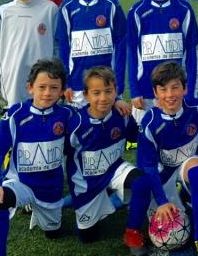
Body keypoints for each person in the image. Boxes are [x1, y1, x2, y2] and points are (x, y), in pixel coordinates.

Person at [0, 59, 74, 256]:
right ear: (30, 88)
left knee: (53, 233)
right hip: (21, 183)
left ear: (62, 91)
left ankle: (47, 210)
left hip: (50, 189)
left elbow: (93, 117)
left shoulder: (67, 115)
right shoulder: (15, 115)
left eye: (54, 88)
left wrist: (118, 103)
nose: (47, 93)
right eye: (41, 87)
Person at [66, 66, 152, 254]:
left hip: (114, 169)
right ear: (86, 95)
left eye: (108, 91)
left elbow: (135, 138)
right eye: (96, 93)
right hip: (86, 181)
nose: (103, 98)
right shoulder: (76, 123)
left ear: (115, 92)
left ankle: (132, 232)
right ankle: (79, 200)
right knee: (87, 237)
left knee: (143, 183)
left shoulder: (122, 115)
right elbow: (63, 155)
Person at [137, 62, 198, 255]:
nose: (170, 94)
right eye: (163, 89)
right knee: (160, 215)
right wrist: (162, 201)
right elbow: (148, 167)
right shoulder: (149, 123)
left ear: (184, 88)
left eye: (175, 87)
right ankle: (183, 196)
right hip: (162, 174)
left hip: (189, 165)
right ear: (155, 92)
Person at [126, 0, 198, 125]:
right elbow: (132, 53)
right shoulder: (137, 11)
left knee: (175, 137)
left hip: (175, 90)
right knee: (147, 138)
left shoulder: (184, 9)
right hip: (145, 89)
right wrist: (134, 90)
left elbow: (191, 53)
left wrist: (188, 90)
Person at [56, 0, 126, 108]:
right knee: (79, 128)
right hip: (77, 86)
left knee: (107, 127)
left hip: (106, 85)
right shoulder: (67, 7)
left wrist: (118, 85)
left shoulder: (111, 4)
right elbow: (64, 48)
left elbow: (121, 46)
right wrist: (66, 82)